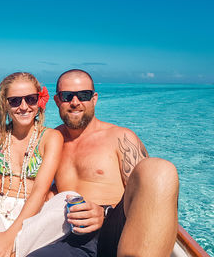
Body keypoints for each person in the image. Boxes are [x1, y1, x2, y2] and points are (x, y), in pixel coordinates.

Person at [27, 69, 179, 257]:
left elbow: (145, 197)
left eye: (83, 95)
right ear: (58, 101)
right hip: (69, 238)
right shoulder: (50, 141)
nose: (75, 102)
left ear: (94, 99)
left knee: (159, 170)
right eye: (67, 96)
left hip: (114, 232)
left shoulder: (120, 138)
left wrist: (104, 213)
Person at [0, 72, 76, 257]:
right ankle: (2, 249)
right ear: (5, 104)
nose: (24, 107)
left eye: (31, 99)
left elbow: (40, 192)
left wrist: (10, 235)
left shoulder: (50, 138)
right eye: (15, 101)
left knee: (69, 198)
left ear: (39, 101)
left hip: (30, 217)